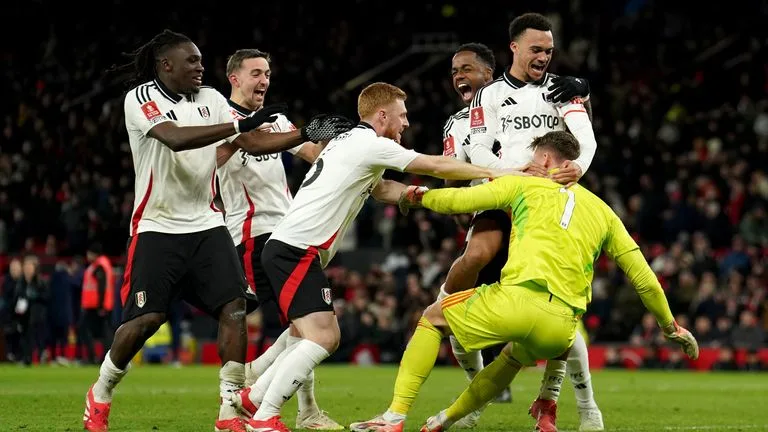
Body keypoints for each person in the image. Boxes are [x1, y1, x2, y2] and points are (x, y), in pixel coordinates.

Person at [82, 30, 355, 432]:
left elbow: (250, 141)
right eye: (191, 61)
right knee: (147, 319)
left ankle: (230, 408)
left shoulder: (210, 100)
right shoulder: (141, 98)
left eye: (200, 61)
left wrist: (305, 132)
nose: (199, 67)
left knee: (235, 307)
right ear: (166, 65)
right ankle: (101, 391)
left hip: (209, 224)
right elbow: (174, 139)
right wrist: (240, 123)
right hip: (157, 226)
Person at [351, 131, 699, 432]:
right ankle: (446, 419)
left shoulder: (524, 184)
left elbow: (459, 200)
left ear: (546, 158)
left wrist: (416, 196)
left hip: (516, 301)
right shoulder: (604, 211)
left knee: (432, 318)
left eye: (534, 158)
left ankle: (394, 417)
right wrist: (672, 327)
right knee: (512, 359)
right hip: (561, 329)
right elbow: (645, 280)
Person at [232, 82, 513, 432]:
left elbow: (381, 189)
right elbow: (436, 165)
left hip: (293, 247)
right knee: (323, 337)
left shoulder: (348, 141)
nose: (407, 123)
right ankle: (264, 417)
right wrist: (498, 173)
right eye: (402, 115)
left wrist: (419, 197)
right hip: (296, 249)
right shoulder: (372, 144)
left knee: (306, 334)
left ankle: (251, 398)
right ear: (382, 115)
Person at [460, 13, 602, 431]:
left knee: (564, 309)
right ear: (515, 48)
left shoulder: (563, 90)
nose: (543, 57)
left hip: (553, 204)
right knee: (465, 277)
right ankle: (478, 397)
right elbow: (479, 150)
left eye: (549, 51)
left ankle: (585, 406)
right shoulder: (488, 96)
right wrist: (514, 175)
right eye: (536, 49)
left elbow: (586, 138)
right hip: (507, 200)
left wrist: (577, 167)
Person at [217, 48, 342, 430]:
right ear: (234, 78)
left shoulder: (277, 120)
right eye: (256, 73)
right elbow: (214, 160)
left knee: (303, 321)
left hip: (289, 231)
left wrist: (339, 142)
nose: (264, 80)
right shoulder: (221, 120)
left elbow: (313, 153)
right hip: (252, 234)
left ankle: (292, 401)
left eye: (268, 73)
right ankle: (246, 401)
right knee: (306, 323)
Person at [79, 242, 115, 364]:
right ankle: (102, 358)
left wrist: (100, 306)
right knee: (103, 333)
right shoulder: (101, 264)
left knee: (95, 332)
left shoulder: (99, 266)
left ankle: (95, 358)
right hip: (98, 305)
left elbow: (101, 287)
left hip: (97, 306)